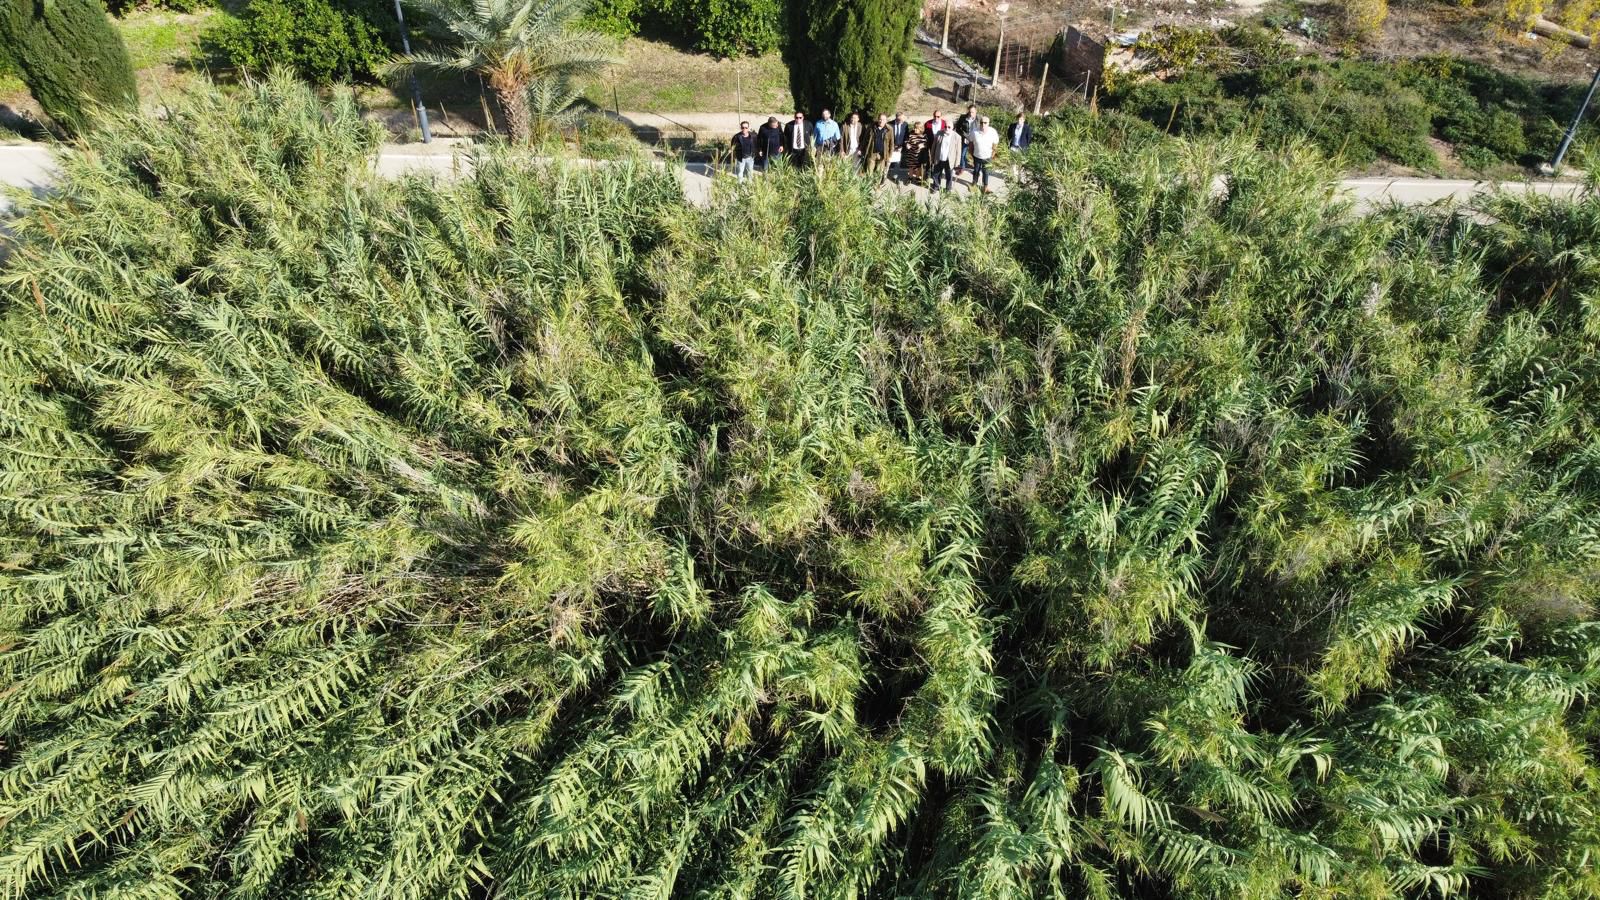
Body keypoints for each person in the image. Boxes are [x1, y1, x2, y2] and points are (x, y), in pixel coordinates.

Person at [968, 115, 1000, 191]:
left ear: (988, 123)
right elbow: (971, 144)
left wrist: (993, 155)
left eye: (985, 123)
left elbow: (995, 144)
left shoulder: (993, 132)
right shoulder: (974, 132)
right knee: (976, 171)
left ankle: (985, 187)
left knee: (986, 172)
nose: (983, 124)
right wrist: (972, 154)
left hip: (987, 157)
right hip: (977, 156)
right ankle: (974, 184)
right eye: (981, 122)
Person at [930, 125, 961, 192]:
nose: (947, 128)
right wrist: (932, 157)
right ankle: (936, 187)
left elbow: (958, 152)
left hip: (949, 160)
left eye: (949, 127)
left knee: (949, 176)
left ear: (952, 128)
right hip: (939, 158)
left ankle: (948, 189)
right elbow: (934, 146)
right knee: (936, 174)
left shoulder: (957, 137)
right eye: (945, 126)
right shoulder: (939, 133)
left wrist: (957, 163)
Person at [922, 110, 949, 185]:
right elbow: (925, 134)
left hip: (940, 146)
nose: (936, 118)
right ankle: (927, 175)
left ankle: (937, 177)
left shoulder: (944, 124)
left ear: (941, 116)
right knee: (929, 160)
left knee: (938, 162)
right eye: (935, 116)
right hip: (930, 145)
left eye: (938, 116)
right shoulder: (928, 123)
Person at [865, 113, 894, 182]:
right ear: (878, 119)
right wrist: (861, 149)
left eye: (883, 120)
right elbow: (865, 139)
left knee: (879, 172)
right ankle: (868, 186)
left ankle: (876, 186)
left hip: (882, 154)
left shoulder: (889, 129)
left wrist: (890, 155)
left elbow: (891, 143)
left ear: (886, 121)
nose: (881, 121)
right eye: (880, 119)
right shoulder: (871, 127)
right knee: (869, 171)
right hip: (872, 153)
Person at [1006, 112, 1033, 184]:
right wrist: (1008, 145)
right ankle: (1014, 179)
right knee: (1013, 163)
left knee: (1020, 164)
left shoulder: (1027, 127)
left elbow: (1029, 138)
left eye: (1021, 119)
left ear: (1024, 120)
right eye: (1018, 119)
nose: (1019, 120)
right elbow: (1008, 136)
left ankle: (1020, 179)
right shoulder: (1012, 126)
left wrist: (1026, 147)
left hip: (1021, 148)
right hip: (1013, 147)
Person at [953, 104, 978, 177]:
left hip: (974, 140)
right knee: (962, 154)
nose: (971, 114)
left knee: (975, 155)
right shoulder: (963, 117)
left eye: (972, 112)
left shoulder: (978, 119)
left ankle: (976, 170)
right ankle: (962, 167)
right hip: (965, 139)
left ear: (976, 111)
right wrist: (964, 136)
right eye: (970, 112)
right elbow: (957, 129)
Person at [890, 112, 910, 176]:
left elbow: (906, 136)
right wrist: (891, 146)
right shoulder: (889, 124)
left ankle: (895, 176)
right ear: (896, 118)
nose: (902, 121)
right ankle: (883, 176)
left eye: (903, 119)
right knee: (888, 162)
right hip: (890, 147)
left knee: (897, 162)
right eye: (900, 120)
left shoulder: (905, 124)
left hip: (900, 147)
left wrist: (904, 145)